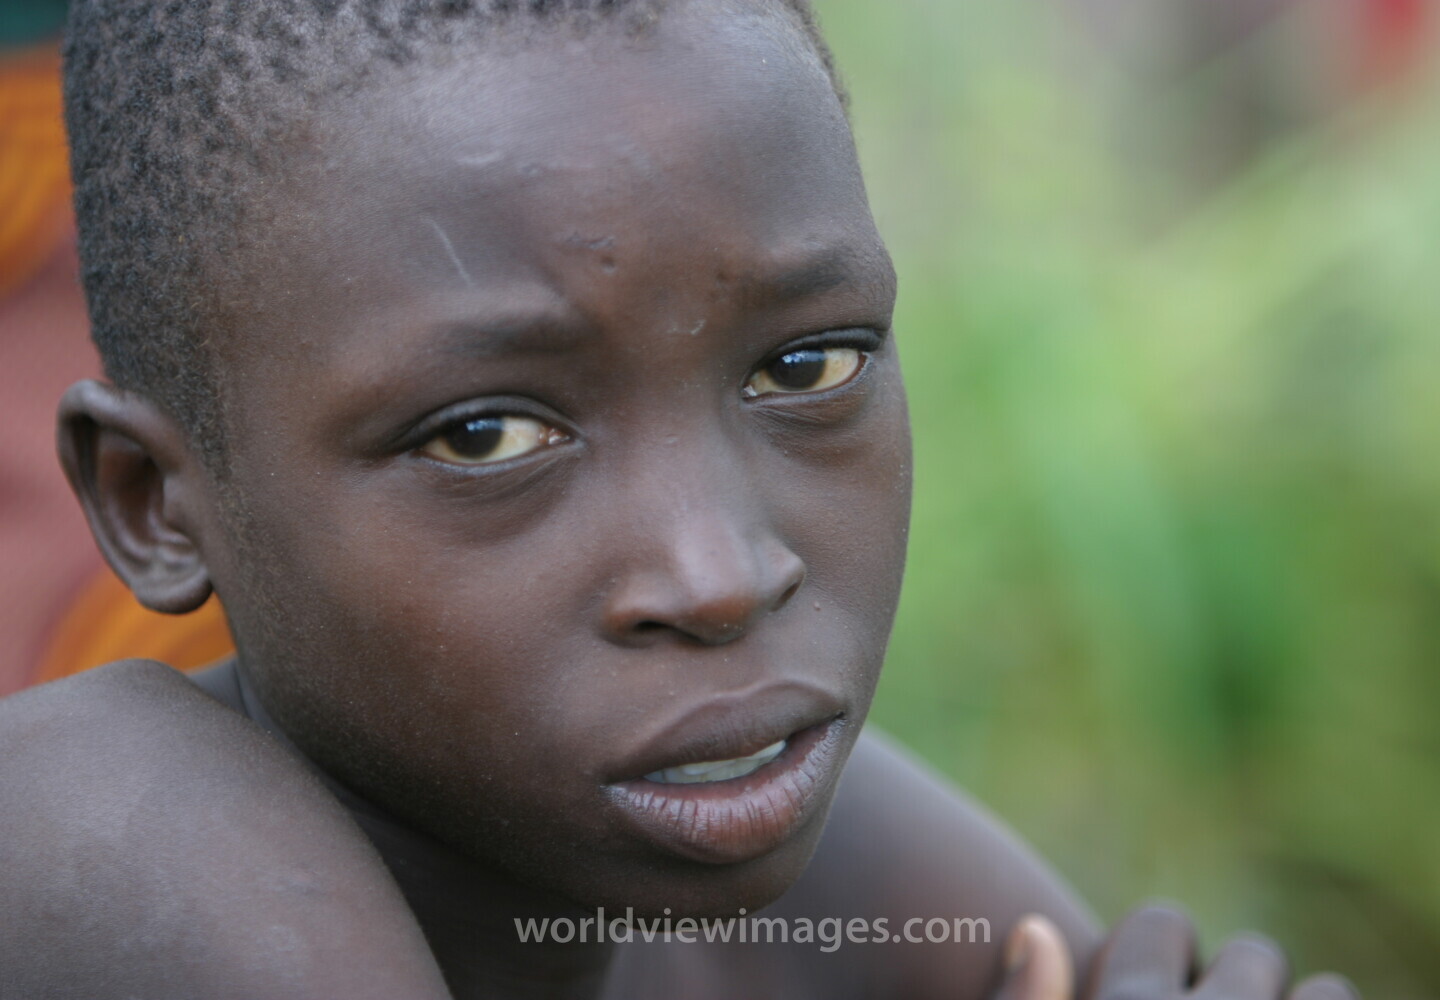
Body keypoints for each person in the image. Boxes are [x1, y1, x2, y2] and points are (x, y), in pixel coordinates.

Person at [0, 2, 1360, 997]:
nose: (720, 577)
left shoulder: (826, 865)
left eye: (806, 367)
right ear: (150, 501)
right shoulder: (105, 831)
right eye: (485, 437)